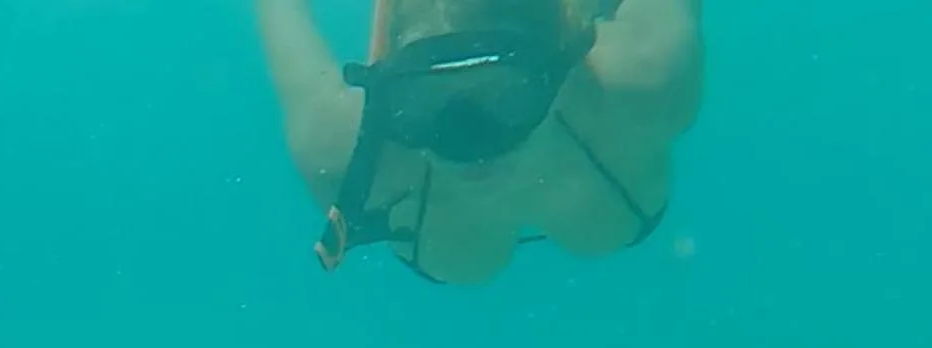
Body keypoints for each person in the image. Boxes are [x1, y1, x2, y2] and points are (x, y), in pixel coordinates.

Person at [255, 0, 700, 284]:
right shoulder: (342, 154)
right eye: (426, 101)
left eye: (503, 93)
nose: (469, 144)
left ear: (564, 65)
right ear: (386, 88)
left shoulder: (647, 74)